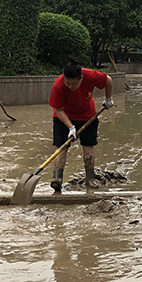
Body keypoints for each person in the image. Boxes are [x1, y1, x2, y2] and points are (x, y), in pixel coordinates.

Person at [48, 59, 114, 192]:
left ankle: (90, 178)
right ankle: (57, 179)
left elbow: (108, 80)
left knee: (88, 147)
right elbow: (59, 110)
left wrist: (108, 98)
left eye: (74, 83)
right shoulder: (58, 86)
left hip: (87, 116)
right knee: (61, 147)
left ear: (81, 78)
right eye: (67, 83)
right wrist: (70, 127)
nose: (70, 86)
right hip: (64, 117)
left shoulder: (90, 76)